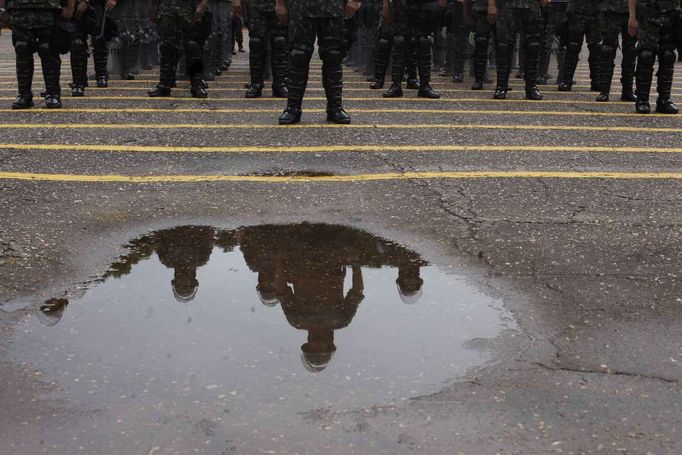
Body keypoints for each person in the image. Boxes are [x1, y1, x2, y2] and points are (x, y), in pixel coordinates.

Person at [276, 0, 360, 124]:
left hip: (333, 8)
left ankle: (335, 108)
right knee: (298, 56)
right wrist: (280, 4)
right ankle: (292, 108)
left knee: (333, 56)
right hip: (301, 9)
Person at [1, 0, 75, 109]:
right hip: (19, 9)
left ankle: (53, 94)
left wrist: (70, 7)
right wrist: (2, 9)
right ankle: (24, 95)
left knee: (48, 49)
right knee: (22, 48)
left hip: (48, 8)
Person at [147, 0, 210, 98]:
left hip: (188, 8)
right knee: (167, 46)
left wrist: (203, 4)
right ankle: (164, 85)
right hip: (166, 8)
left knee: (192, 46)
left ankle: (196, 85)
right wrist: (152, 6)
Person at [382, 0, 445, 98]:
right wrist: (385, 6)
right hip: (401, 5)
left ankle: (425, 85)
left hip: (423, 5)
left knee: (424, 41)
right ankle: (396, 85)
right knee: (399, 41)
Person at [489, 0, 549, 100]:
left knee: (533, 48)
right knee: (504, 48)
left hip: (531, 6)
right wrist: (491, 4)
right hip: (508, 6)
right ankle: (501, 87)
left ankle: (531, 88)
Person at [628, 0, 680, 113]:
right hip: (648, 12)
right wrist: (632, 17)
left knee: (668, 55)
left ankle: (664, 100)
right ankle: (642, 100)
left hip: (670, 13)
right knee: (646, 55)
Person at [234, 0, 288, 98]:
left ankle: (279, 83)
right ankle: (256, 84)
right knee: (256, 42)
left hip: (277, 4)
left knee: (279, 41)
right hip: (254, 5)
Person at [70, 0, 117, 96]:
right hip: (76, 4)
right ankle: (79, 82)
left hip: (96, 4)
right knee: (77, 43)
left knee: (99, 39)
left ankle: (101, 76)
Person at [596, 0, 637, 102]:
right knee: (607, 50)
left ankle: (627, 91)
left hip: (629, 11)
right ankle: (604, 91)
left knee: (630, 52)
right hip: (610, 11)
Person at [557, 0, 601, 91]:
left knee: (595, 48)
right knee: (573, 47)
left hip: (595, 11)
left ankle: (596, 81)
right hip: (576, 11)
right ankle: (566, 80)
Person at [465, 0, 494, 90]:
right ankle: (478, 79)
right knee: (480, 44)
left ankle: (502, 83)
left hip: (503, 8)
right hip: (480, 9)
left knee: (503, 46)